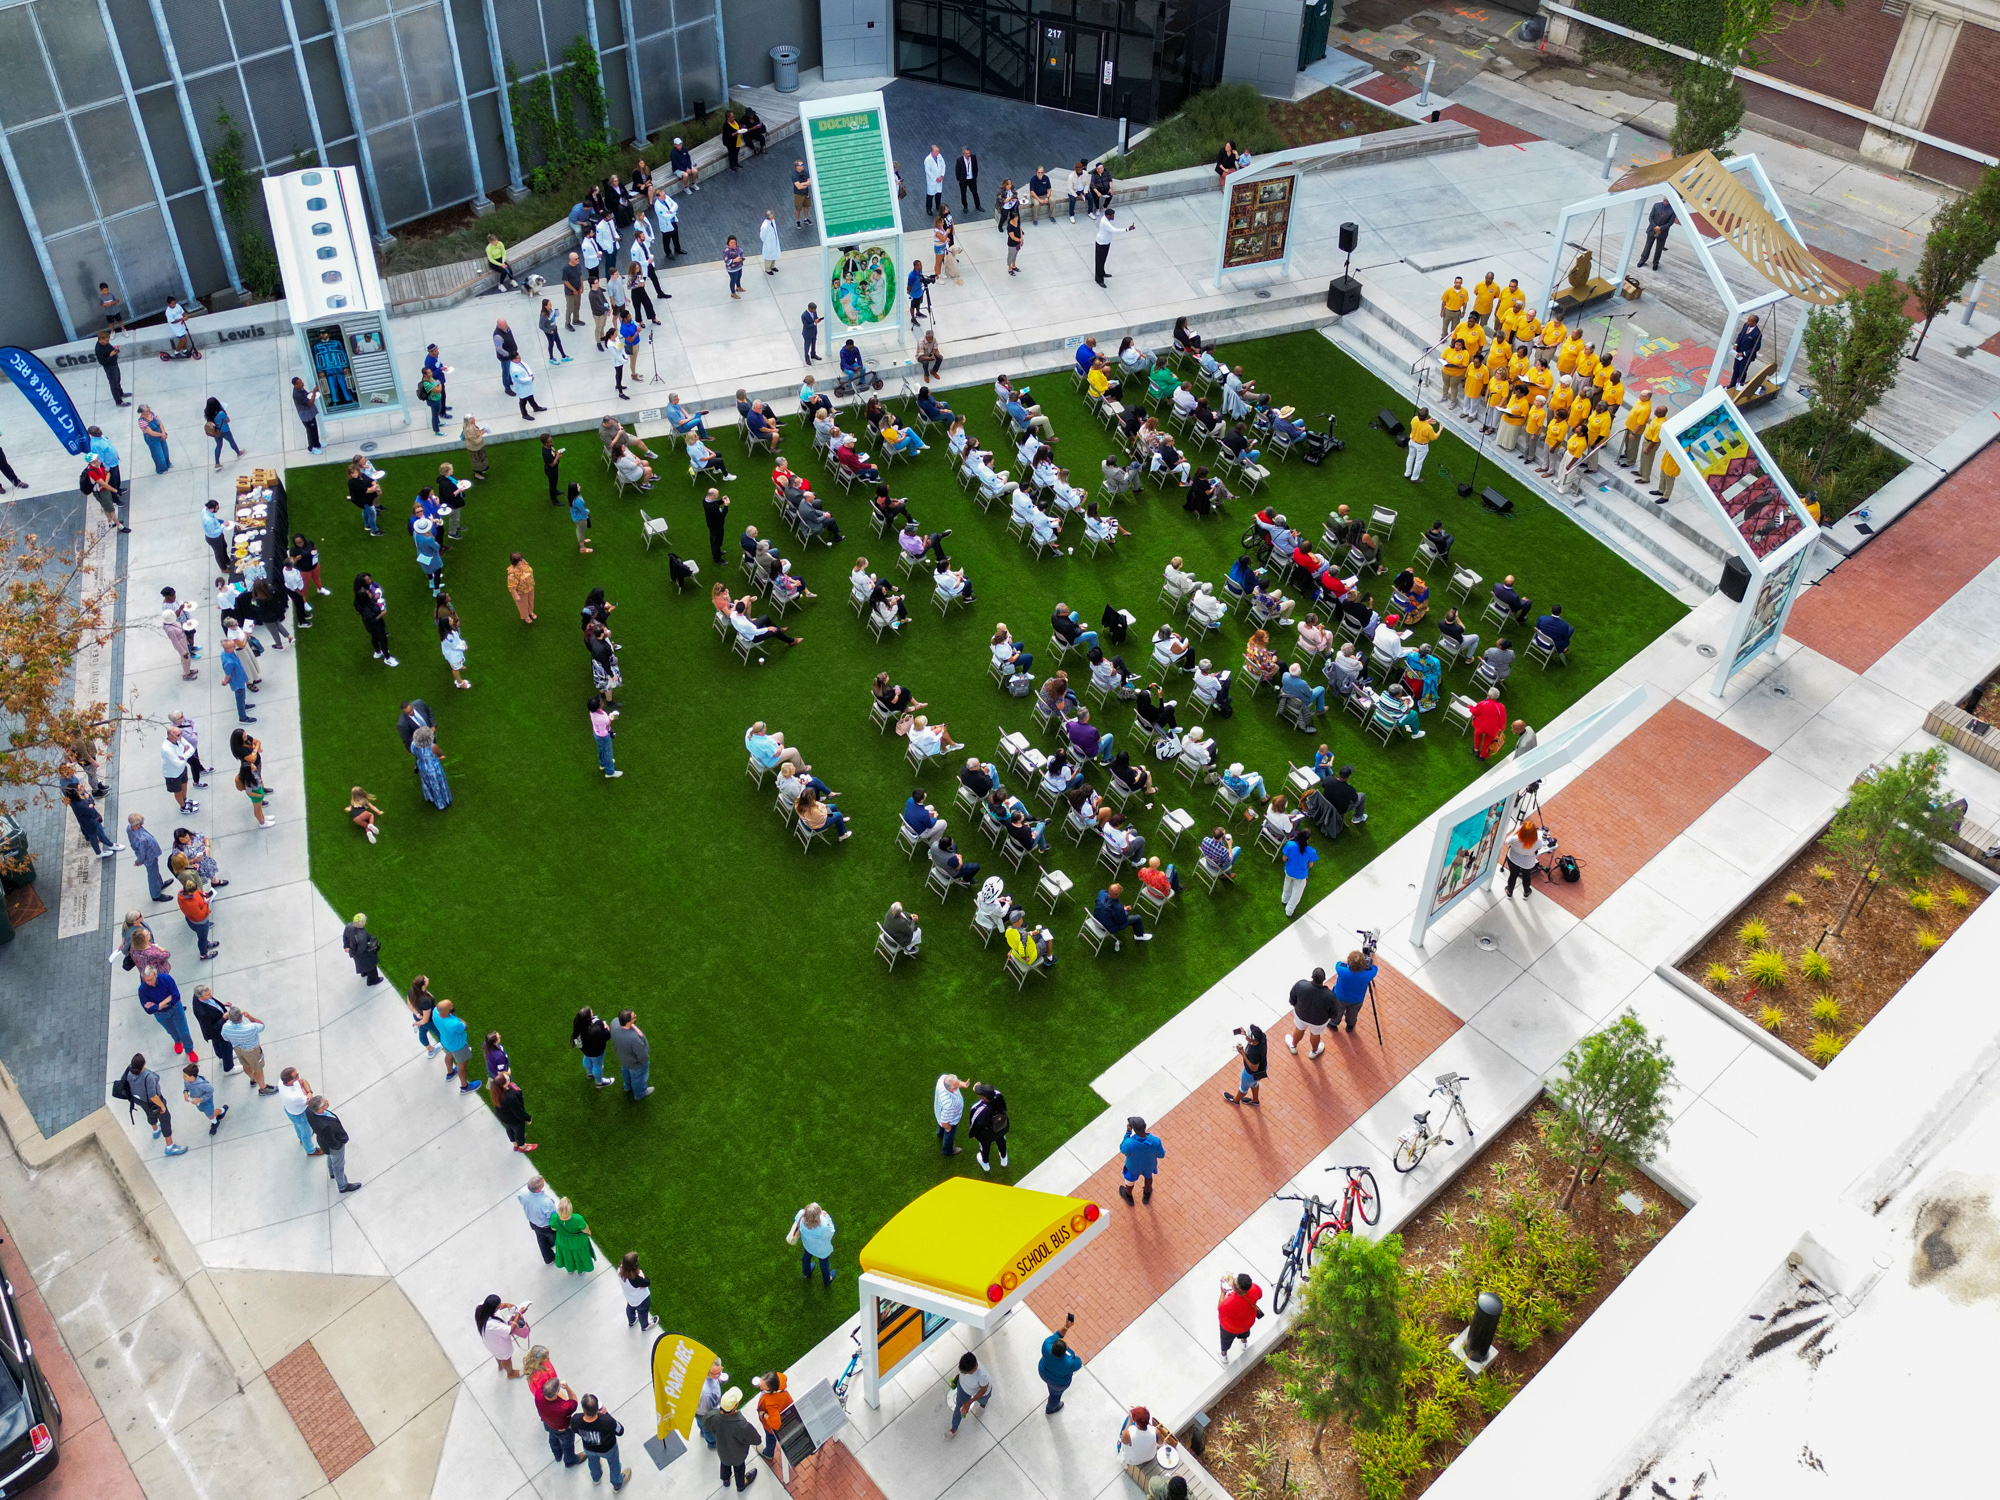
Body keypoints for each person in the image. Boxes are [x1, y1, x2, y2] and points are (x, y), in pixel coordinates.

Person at [119, 1054, 184, 1156]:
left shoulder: (129, 1070)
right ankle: (170, 1146)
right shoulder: (148, 1077)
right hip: (152, 1102)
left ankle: (155, 1130)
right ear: (143, 1063)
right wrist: (162, 1106)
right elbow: (153, 1096)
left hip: (139, 1100)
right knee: (165, 1119)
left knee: (149, 1113)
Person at [571, 1393, 629, 1491]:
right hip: (608, 1449)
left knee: (593, 1462)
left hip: (589, 1448)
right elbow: (620, 1430)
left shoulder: (576, 1420)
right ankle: (617, 1484)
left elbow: (574, 1429)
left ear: (584, 1409)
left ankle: (596, 1478)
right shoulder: (607, 1421)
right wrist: (606, 1414)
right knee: (614, 1465)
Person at [308, 1094, 360, 1192]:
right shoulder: (324, 1126)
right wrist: (339, 1144)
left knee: (330, 1156)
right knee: (338, 1165)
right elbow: (332, 1143)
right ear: (320, 1109)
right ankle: (343, 1186)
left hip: (324, 1142)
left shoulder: (309, 1111)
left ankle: (331, 1172)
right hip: (335, 1146)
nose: (327, 1101)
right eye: (325, 1103)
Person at [711, 1389, 759, 1492]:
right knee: (739, 1469)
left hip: (722, 1451)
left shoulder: (713, 1416)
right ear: (735, 1406)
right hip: (738, 1456)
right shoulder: (741, 1425)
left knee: (724, 1464)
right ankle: (741, 1485)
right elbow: (756, 1440)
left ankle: (726, 1480)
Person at [476, 1295, 527, 1378]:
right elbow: (510, 1330)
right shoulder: (492, 1325)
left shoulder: (480, 1308)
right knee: (506, 1358)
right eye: (498, 1307)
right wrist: (519, 1314)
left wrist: (506, 1305)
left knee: (497, 1355)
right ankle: (511, 1373)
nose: (500, 1306)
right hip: (500, 1345)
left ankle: (500, 1365)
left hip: (490, 1341)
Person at [1039, 1315, 1081, 1414]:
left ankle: (1050, 1389)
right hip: (1058, 1383)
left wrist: (1066, 1327)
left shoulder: (1046, 1345)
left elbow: (1058, 1334)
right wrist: (1070, 1352)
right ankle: (1051, 1408)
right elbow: (1078, 1361)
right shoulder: (1070, 1363)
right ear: (1065, 1352)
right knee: (1055, 1395)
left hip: (1043, 1372)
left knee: (1050, 1387)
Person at [789, 1202, 836, 1285]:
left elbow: (797, 1220)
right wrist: (828, 1217)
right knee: (824, 1264)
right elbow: (831, 1232)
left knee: (806, 1258)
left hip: (808, 1245)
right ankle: (827, 1280)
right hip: (822, 1250)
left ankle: (806, 1273)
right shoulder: (824, 1226)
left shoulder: (800, 1215)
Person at [1218, 1273, 1264, 1358]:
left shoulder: (1228, 1303)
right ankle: (1244, 1343)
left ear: (1237, 1289)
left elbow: (1220, 1309)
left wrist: (1223, 1293)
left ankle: (1224, 1355)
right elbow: (1260, 1295)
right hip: (1247, 1323)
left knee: (1226, 1341)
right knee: (1245, 1333)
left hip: (1229, 1328)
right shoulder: (1254, 1288)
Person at [1092, 883, 1150, 949]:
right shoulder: (1117, 907)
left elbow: (1097, 901)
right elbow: (1122, 921)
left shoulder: (1101, 893)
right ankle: (1139, 936)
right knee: (1137, 918)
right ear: (1117, 894)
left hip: (1096, 920)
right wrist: (1125, 911)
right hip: (1108, 928)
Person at [1332, 949, 1377, 1033]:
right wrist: (1372, 955)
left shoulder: (1342, 970)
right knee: (1353, 1014)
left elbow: (1340, 962)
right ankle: (1350, 1026)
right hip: (1357, 1000)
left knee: (1337, 1011)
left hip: (1340, 997)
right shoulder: (1368, 975)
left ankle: (1333, 1023)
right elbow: (1375, 966)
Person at [967, 1081, 1008, 1171]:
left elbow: (974, 1124)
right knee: (1001, 1141)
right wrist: (980, 1089)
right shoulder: (998, 1096)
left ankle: (985, 1164)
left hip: (986, 1135)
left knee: (985, 1148)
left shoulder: (978, 1108)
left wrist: (972, 1135)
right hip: (1000, 1127)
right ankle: (1004, 1159)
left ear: (984, 1098)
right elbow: (1004, 1107)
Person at [949, 1350, 993, 1436]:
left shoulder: (982, 1376)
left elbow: (983, 1390)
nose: (964, 1373)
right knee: (959, 1407)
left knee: (983, 1400)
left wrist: (969, 1402)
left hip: (981, 1392)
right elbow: (961, 1372)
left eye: (967, 1372)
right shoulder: (966, 1362)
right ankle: (954, 1428)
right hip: (964, 1386)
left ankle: (982, 1405)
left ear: (974, 1368)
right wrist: (956, 1378)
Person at [1223, 1023, 1267, 1106]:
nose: (1246, 1036)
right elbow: (1255, 1037)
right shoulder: (1262, 1037)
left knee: (1243, 1088)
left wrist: (1242, 1053)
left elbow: (1254, 1068)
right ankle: (1255, 1100)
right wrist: (1245, 1034)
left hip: (1250, 1074)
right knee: (1254, 1084)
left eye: (1247, 1035)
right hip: (1263, 1068)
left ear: (1252, 1040)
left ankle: (1235, 1100)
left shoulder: (1254, 1053)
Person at [611, 1009, 652, 1098]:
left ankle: (627, 1086)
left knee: (625, 1072)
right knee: (638, 1078)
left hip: (623, 1058)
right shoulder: (634, 1039)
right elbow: (643, 1056)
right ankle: (640, 1094)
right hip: (635, 1064)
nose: (635, 1016)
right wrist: (644, 1062)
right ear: (629, 1022)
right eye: (634, 1017)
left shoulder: (614, 1023)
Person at [1093, 207, 1135, 287]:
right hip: (1102, 243)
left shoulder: (1106, 219)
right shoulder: (1105, 223)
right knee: (1100, 261)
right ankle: (1099, 279)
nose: (1114, 217)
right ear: (1108, 216)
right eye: (1112, 215)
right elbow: (1114, 230)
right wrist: (1127, 229)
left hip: (1106, 242)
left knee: (1103, 259)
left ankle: (1102, 272)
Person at [1280, 831, 1318, 917]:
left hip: (1289, 871)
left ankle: (1284, 899)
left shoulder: (1290, 844)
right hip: (1301, 876)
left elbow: (1284, 859)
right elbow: (1310, 866)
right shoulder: (1311, 851)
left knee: (1287, 885)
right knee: (1296, 894)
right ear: (1309, 839)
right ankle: (1289, 911)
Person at [1503, 819, 1542, 899]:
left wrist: (1516, 830)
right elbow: (1539, 848)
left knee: (1513, 876)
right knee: (1526, 877)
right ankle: (1526, 892)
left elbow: (1507, 841)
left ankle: (1509, 892)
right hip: (1528, 863)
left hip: (1513, 860)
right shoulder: (1537, 842)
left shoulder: (1515, 839)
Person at [1471, 688, 1507, 760]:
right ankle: (1482, 756)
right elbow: (1502, 721)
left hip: (1480, 726)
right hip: (1492, 729)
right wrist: (1501, 730)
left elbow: (1475, 712)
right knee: (1487, 742)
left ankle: (1476, 750)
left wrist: (1470, 707)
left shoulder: (1482, 703)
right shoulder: (1501, 707)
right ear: (1497, 697)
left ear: (1488, 695)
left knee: (1477, 737)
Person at [1641, 196, 1674, 269]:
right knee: (1647, 246)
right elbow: (1650, 217)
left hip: (1662, 232)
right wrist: (1655, 227)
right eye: (1664, 200)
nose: (1665, 202)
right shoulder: (1656, 205)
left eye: (1667, 201)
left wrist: (1660, 228)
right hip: (1652, 230)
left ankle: (1655, 263)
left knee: (1659, 249)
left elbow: (1670, 222)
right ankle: (1643, 259)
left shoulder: (1673, 210)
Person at [290, 377, 323, 453]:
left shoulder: (301, 389)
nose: (302, 384)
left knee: (314, 428)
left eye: (302, 382)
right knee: (310, 431)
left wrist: (312, 393)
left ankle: (317, 444)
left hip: (310, 413)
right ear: (295, 385)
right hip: (306, 416)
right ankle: (310, 448)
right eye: (300, 383)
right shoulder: (297, 394)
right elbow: (310, 403)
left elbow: (307, 395)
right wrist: (314, 393)